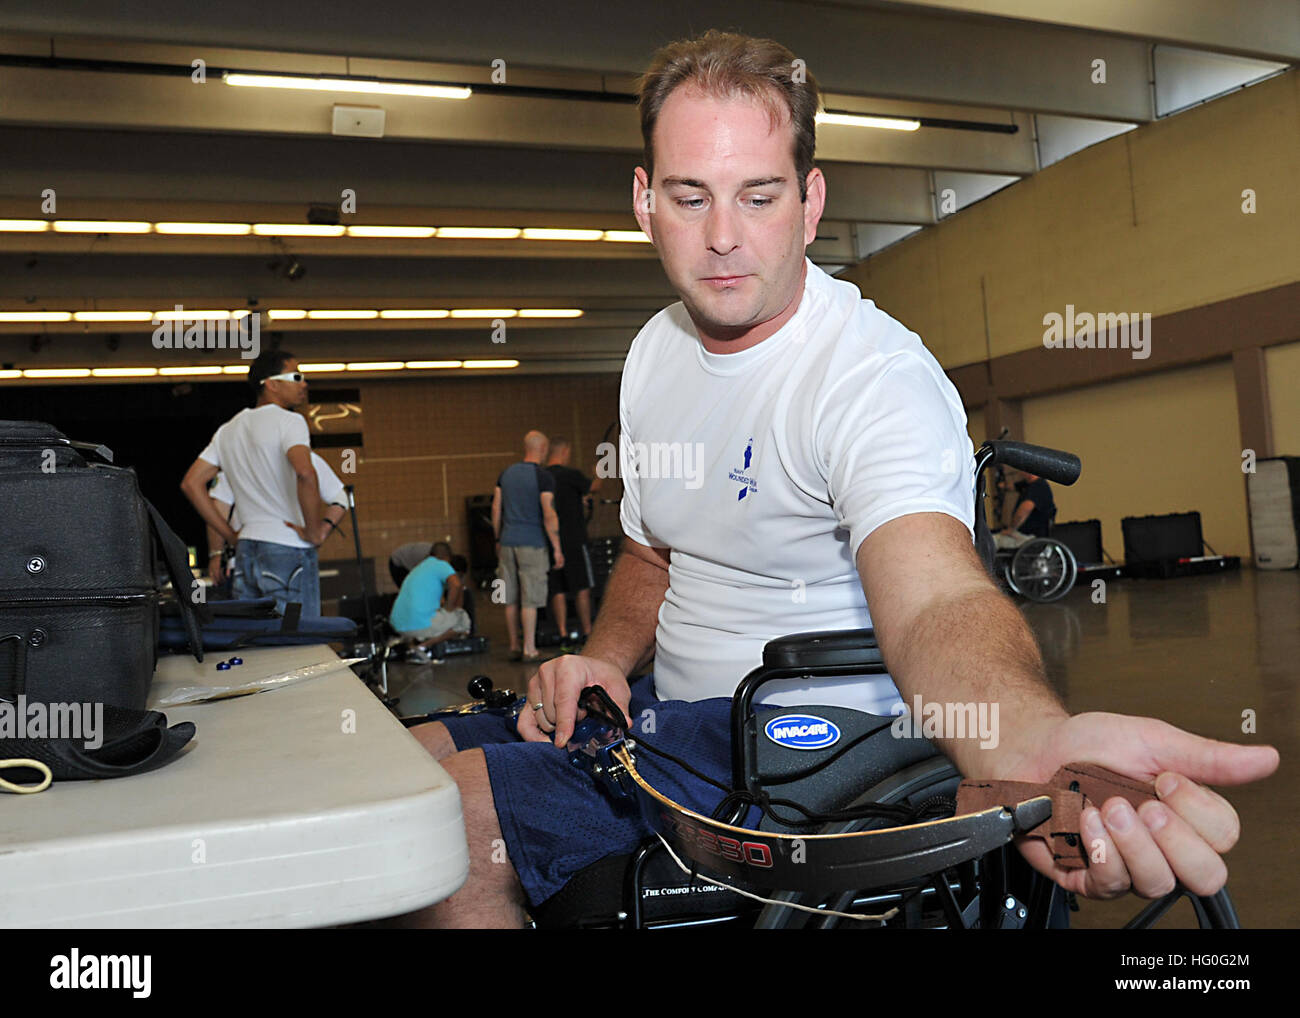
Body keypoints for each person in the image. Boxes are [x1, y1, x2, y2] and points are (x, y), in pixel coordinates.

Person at [404, 30, 1276, 928]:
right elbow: (650, 552)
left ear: (812, 201)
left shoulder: (870, 379)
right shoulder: (653, 352)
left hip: (809, 744)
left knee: (446, 824)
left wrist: (1031, 742)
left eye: (759, 195)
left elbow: (936, 599)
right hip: (675, 714)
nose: (723, 237)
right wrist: (604, 660)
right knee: (395, 769)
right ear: (643, 200)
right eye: (690, 195)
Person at [180, 351, 329, 616]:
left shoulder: (228, 430)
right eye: (296, 376)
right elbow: (306, 473)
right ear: (271, 383)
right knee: (300, 642)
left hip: (246, 550)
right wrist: (314, 531)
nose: (304, 383)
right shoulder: (290, 421)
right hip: (288, 548)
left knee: (255, 640)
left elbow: (191, 483)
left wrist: (229, 536)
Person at [205, 454, 348, 597]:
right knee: (297, 618)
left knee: (248, 617)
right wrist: (320, 532)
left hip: (244, 555)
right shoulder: (306, 458)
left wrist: (216, 554)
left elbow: (219, 508)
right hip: (294, 552)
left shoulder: (239, 457)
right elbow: (340, 499)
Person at [493, 430, 565, 662]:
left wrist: (497, 538)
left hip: (507, 541)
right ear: (543, 449)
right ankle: (529, 649)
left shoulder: (506, 474)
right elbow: (549, 513)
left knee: (509, 596)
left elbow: (496, 509)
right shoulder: (543, 477)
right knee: (530, 598)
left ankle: (514, 645)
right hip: (532, 543)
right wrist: (556, 547)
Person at [543, 437, 602, 648]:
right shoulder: (571, 475)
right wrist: (599, 470)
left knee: (557, 588)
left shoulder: (542, 477)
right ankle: (587, 631)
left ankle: (563, 633)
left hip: (550, 540)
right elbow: (594, 486)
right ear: (565, 451)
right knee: (582, 586)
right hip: (575, 539)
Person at [390, 545, 470, 663]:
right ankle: (420, 648)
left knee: (439, 616)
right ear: (447, 557)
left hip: (397, 624)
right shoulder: (441, 564)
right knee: (463, 619)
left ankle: (409, 641)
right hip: (416, 625)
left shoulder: (420, 567)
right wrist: (449, 609)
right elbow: (456, 585)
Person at [994, 470, 1056, 549]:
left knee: (992, 540)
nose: (1020, 473)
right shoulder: (1029, 485)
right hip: (1025, 534)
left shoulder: (1038, 486)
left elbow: (1023, 511)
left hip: (1028, 537)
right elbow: (1012, 486)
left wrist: (1011, 529)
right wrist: (1002, 484)